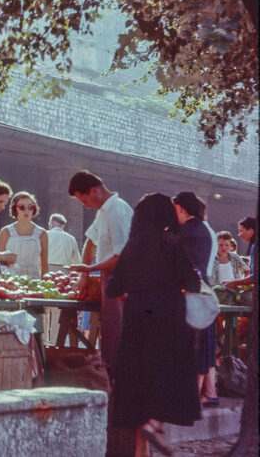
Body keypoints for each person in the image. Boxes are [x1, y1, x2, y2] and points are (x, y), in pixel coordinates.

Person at [107, 193, 201, 457]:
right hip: (169, 315)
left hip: (137, 316)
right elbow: (192, 283)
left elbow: (113, 287)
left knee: (138, 383)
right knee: (170, 374)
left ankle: (141, 452)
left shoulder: (132, 245)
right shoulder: (172, 241)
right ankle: (155, 425)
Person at [68, 170, 132, 376]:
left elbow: (121, 255)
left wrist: (90, 268)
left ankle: (117, 377)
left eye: (83, 198)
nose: (85, 205)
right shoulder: (103, 212)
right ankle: (110, 375)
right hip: (107, 277)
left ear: (94, 190)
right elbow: (90, 241)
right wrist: (84, 275)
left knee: (118, 330)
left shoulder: (117, 211)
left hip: (121, 278)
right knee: (109, 330)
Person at [172, 191, 217, 408]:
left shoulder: (184, 231)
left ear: (180, 207)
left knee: (191, 346)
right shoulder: (205, 230)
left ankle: (188, 398)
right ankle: (201, 394)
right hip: (204, 290)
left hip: (188, 292)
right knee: (204, 345)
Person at [44, 213, 80, 345]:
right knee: (57, 310)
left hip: (46, 271)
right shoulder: (71, 239)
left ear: (52, 223)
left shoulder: (45, 235)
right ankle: (54, 342)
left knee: (44, 307)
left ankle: (44, 340)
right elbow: (76, 261)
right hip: (63, 274)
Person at [0, 191, 48, 279]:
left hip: (34, 282)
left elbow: (45, 266)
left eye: (30, 207)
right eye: (22, 207)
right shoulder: (5, 232)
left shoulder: (42, 233)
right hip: (10, 281)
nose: (26, 211)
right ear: (15, 208)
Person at [224, 216, 256, 289]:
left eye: (241, 230)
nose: (239, 234)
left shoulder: (255, 247)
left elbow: (255, 276)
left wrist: (235, 282)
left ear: (251, 231)